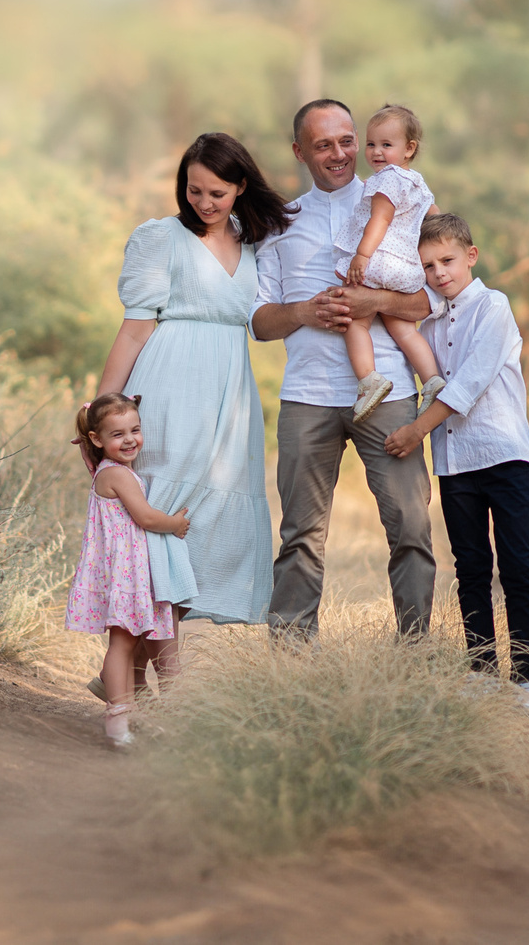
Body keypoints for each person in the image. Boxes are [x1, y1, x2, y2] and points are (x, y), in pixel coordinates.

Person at [251, 98, 437, 640]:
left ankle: (416, 654)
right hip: (307, 395)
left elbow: (432, 301)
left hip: (391, 392)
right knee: (301, 535)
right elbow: (260, 323)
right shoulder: (278, 223)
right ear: (299, 153)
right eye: (323, 144)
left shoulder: (401, 200)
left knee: (410, 525)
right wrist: (308, 311)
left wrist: (372, 303)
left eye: (347, 140)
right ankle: (291, 659)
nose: (340, 154)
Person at [93, 131, 289, 629]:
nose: (203, 202)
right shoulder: (163, 238)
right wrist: (102, 410)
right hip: (170, 380)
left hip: (230, 391)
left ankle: (136, 668)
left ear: (241, 186)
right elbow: (135, 332)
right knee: (162, 509)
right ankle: (128, 663)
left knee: (209, 519)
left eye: (216, 193)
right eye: (193, 190)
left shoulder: (255, 240)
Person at [385, 211, 529, 714]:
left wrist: (415, 429)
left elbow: (468, 385)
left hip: (503, 455)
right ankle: (481, 671)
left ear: (471, 256)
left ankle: (526, 680)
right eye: (428, 265)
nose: (439, 273)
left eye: (448, 261)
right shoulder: (430, 320)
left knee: (518, 567)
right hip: (455, 464)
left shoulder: (494, 308)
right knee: (472, 568)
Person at [66, 394, 195, 747]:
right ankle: (117, 720)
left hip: (137, 576)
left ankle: (153, 717)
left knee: (145, 643)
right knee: (122, 644)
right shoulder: (116, 476)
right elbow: (146, 517)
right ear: (97, 440)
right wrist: (176, 524)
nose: (130, 440)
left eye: (135, 430)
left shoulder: (112, 471)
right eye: (117, 434)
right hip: (126, 577)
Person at [335, 103, 444, 422]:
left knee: (356, 320)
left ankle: (369, 379)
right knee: (404, 329)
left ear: (409, 148)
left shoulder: (386, 179)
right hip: (406, 269)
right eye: (371, 144)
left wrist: (362, 256)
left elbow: (379, 220)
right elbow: (435, 217)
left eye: (386, 145)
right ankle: (432, 381)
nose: (376, 153)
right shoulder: (418, 182)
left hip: (378, 261)